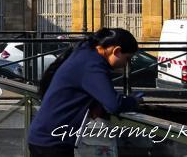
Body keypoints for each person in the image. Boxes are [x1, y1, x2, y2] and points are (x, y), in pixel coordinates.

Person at [27, 27, 144, 157]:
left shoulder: (85, 52)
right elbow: (114, 104)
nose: (125, 64)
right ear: (116, 51)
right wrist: (134, 101)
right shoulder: (93, 65)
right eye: (127, 58)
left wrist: (95, 104)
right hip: (52, 143)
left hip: (45, 137)